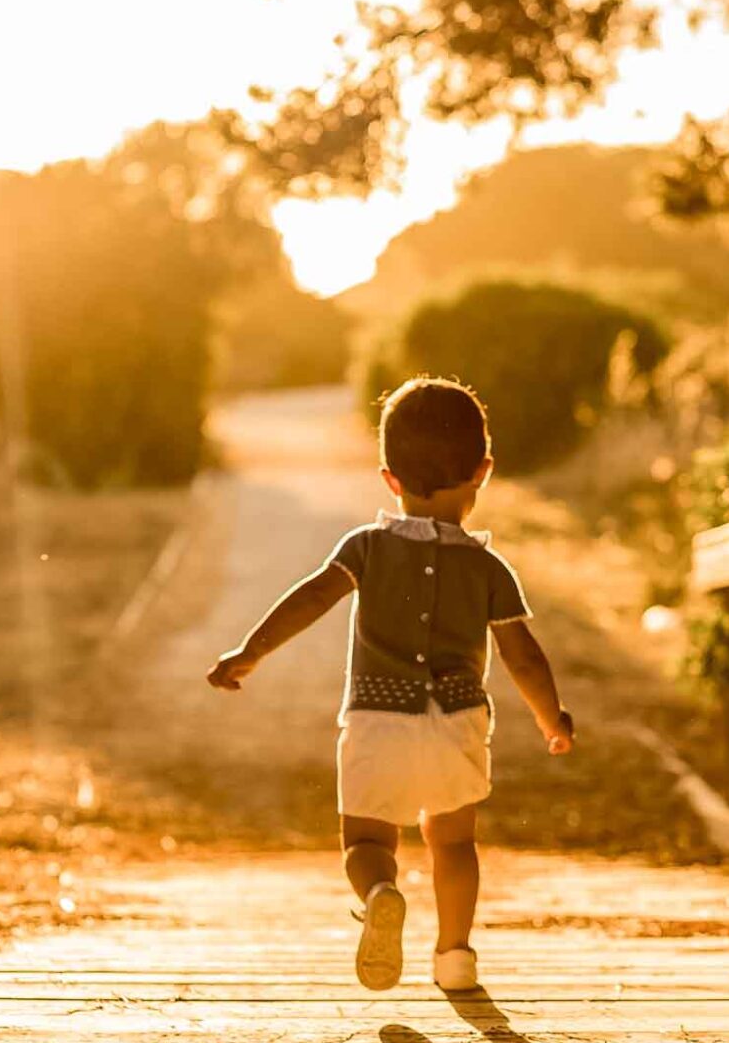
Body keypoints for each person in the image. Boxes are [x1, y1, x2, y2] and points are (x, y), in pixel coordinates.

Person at [207, 377, 573, 992]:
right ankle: (455, 957)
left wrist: (251, 652)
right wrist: (550, 719)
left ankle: (380, 892)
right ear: (482, 471)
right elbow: (523, 657)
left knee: (369, 838)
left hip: (377, 718)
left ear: (389, 478)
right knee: (453, 842)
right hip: (457, 718)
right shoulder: (488, 568)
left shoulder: (366, 548)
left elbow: (313, 597)